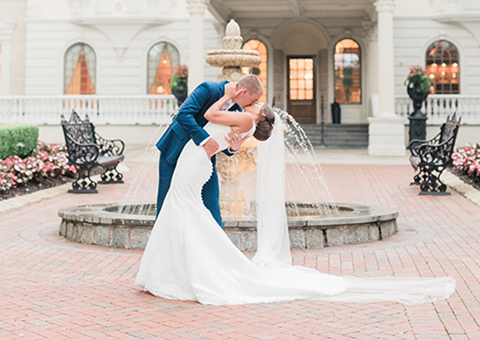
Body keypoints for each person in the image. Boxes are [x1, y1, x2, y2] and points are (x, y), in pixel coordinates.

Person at [136, 87, 455, 306]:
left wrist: (226, 100)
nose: (254, 105)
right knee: (187, 211)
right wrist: (229, 143)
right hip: (197, 162)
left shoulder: (244, 117)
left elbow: (208, 117)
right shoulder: (246, 120)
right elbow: (226, 139)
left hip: (196, 162)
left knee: (186, 210)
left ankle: (192, 269)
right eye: (257, 101)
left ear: (259, 116)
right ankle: (177, 267)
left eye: (258, 106)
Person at [155, 74, 263, 227]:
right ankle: (164, 246)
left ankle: (217, 248)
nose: (253, 104)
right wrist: (205, 140)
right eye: (254, 99)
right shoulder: (209, 88)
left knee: (212, 204)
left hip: (204, 160)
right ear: (244, 92)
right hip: (174, 151)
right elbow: (184, 114)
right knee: (167, 202)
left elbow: (221, 141)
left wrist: (233, 147)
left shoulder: (238, 110)